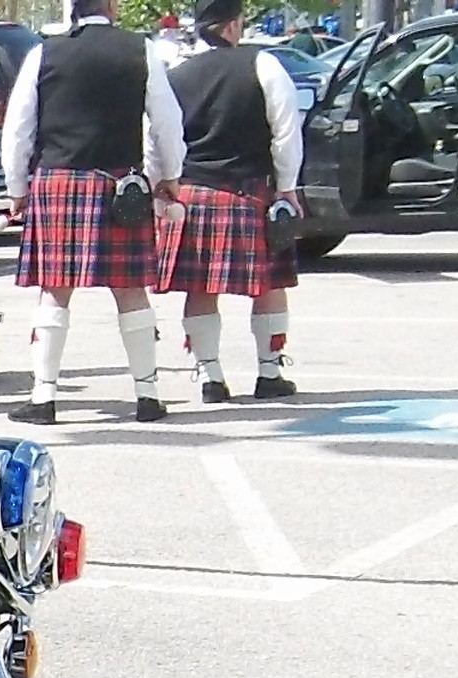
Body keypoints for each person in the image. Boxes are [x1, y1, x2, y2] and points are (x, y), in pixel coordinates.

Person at [0, 0, 186, 423]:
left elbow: (19, 127)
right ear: (111, 6)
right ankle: (148, 395)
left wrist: (17, 188)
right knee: (130, 288)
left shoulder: (43, 52)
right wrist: (169, 174)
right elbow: (166, 122)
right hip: (120, 183)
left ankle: (44, 398)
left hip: (58, 182)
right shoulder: (141, 49)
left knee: (55, 289)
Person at [156, 0, 304, 400]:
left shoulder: (176, 75)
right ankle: (269, 374)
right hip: (250, 190)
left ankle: (211, 378)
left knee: (200, 287)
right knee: (270, 284)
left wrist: (163, 182)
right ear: (232, 26)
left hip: (193, 192)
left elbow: (158, 135)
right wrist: (287, 187)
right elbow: (286, 132)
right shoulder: (264, 65)